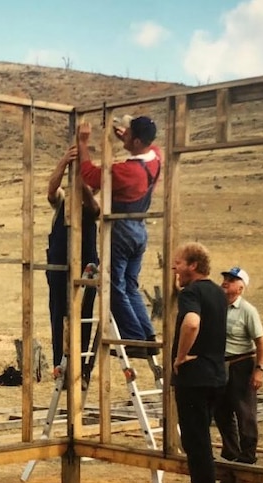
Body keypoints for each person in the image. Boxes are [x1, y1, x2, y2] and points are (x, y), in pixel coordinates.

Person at [78, 115, 162, 358]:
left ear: (136, 141)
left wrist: (83, 143)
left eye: (129, 134)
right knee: (131, 286)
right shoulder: (155, 158)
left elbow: (90, 175)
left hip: (121, 229)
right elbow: (153, 147)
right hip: (139, 229)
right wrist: (128, 137)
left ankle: (134, 339)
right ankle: (146, 336)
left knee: (113, 286)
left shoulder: (127, 170)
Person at [169, 242, 227, 483]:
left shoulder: (191, 292)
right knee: (203, 441)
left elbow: (191, 323)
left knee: (197, 445)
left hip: (195, 378)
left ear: (192, 265)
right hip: (216, 376)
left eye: (177, 263)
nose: (173, 269)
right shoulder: (218, 292)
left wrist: (180, 357)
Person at [45, 144, 100, 377]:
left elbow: (94, 209)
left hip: (85, 269)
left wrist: (82, 184)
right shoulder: (62, 201)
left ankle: (80, 368)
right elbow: (51, 189)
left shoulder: (96, 201)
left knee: (84, 316)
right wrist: (65, 162)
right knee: (58, 314)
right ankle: (61, 365)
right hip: (59, 267)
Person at [215, 267, 263, 464]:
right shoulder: (217, 306)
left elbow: (261, 343)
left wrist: (259, 370)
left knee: (244, 411)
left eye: (232, 280)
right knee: (221, 410)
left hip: (241, 364)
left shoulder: (248, 311)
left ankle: (248, 455)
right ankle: (231, 451)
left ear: (241, 287)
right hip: (220, 365)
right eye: (225, 278)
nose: (226, 282)